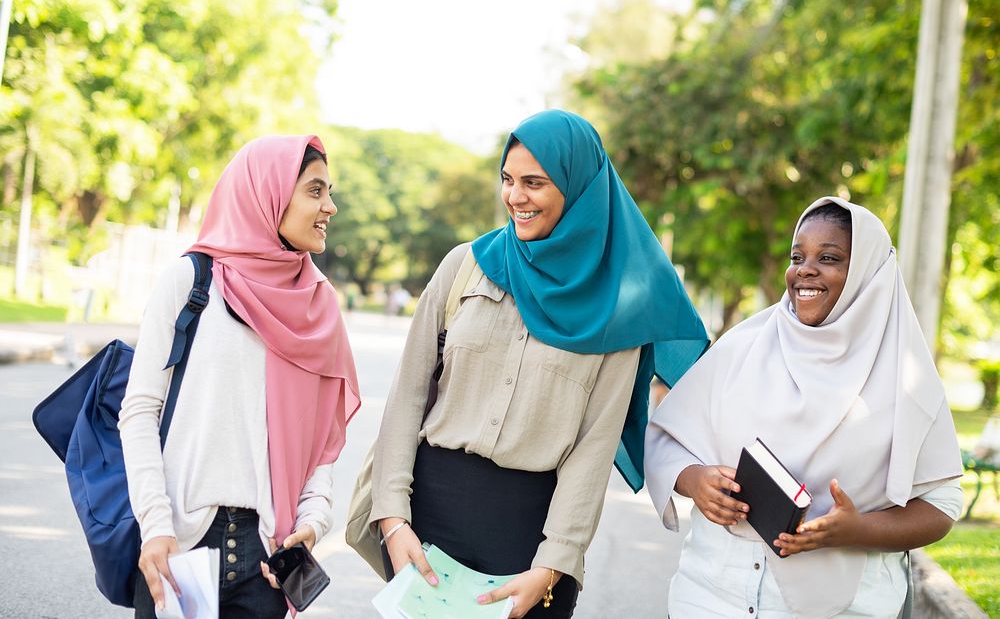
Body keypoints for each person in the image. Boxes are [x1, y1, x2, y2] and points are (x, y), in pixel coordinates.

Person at [368, 109, 709, 618]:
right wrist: (393, 520)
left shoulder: (615, 311)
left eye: (535, 182)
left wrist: (553, 564)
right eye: (507, 180)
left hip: (531, 541)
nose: (515, 197)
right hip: (428, 525)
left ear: (578, 191)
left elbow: (593, 447)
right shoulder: (465, 265)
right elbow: (407, 398)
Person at [645, 197, 964, 618]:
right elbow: (668, 439)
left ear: (869, 274)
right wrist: (695, 480)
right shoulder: (741, 348)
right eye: (797, 257)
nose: (805, 270)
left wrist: (854, 530)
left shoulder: (907, 381)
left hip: (841, 606)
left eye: (828, 258)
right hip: (710, 594)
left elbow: (940, 507)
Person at [119, 135, 360, 617]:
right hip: (181, 545)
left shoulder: (318, 303)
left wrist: (312, 521)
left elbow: (319, 444)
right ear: (267, 193)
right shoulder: (192, 281)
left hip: (267, 561)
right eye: (315, 191)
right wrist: (156, 526)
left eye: (329, 192)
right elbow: (140, 411)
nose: (330, 206)